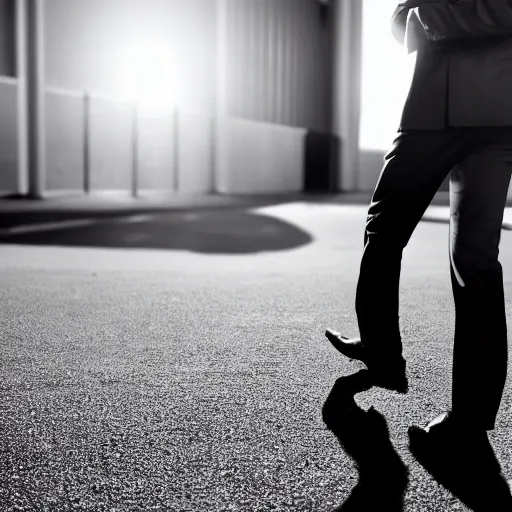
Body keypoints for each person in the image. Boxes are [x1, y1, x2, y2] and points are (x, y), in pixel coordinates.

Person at [325, 0, 512, 439]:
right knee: (385, 227)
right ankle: (381, 351)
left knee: (473, 262)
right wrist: (412, 16)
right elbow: (399, 15)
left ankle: (469, 419)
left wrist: (427, 18)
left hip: (492, 113)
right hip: (435, 107)